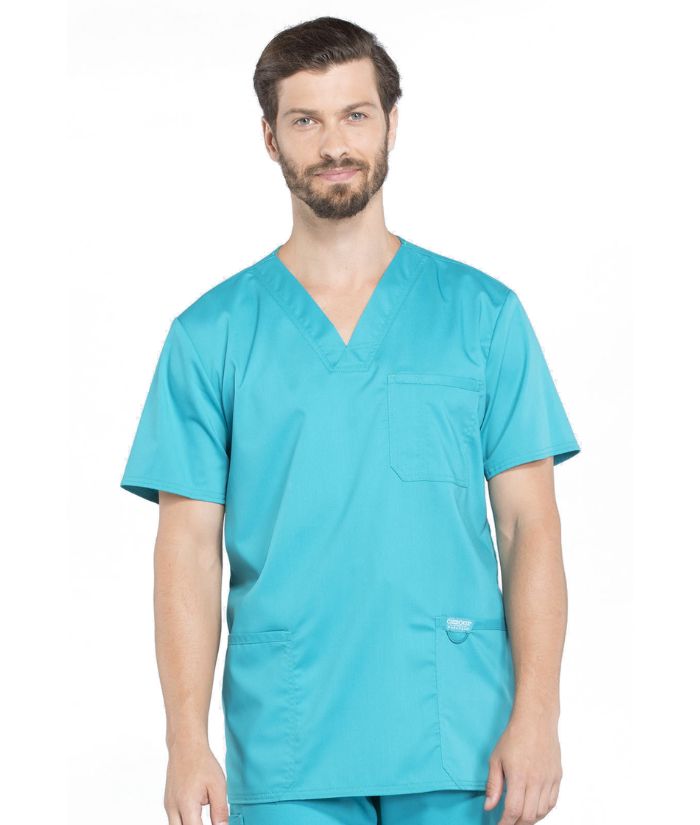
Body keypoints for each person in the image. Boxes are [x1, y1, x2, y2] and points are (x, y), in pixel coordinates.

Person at [120, 15, 582, 825]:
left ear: (391, 123)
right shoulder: (211, 335)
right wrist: (184, 740)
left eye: (355, 114)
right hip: (289, 737)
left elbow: (528, 527)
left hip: (460, 733)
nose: (334, 143)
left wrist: (538, 713)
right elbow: (187, 550)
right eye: (306, 120)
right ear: (270, 137)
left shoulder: (483, 316)